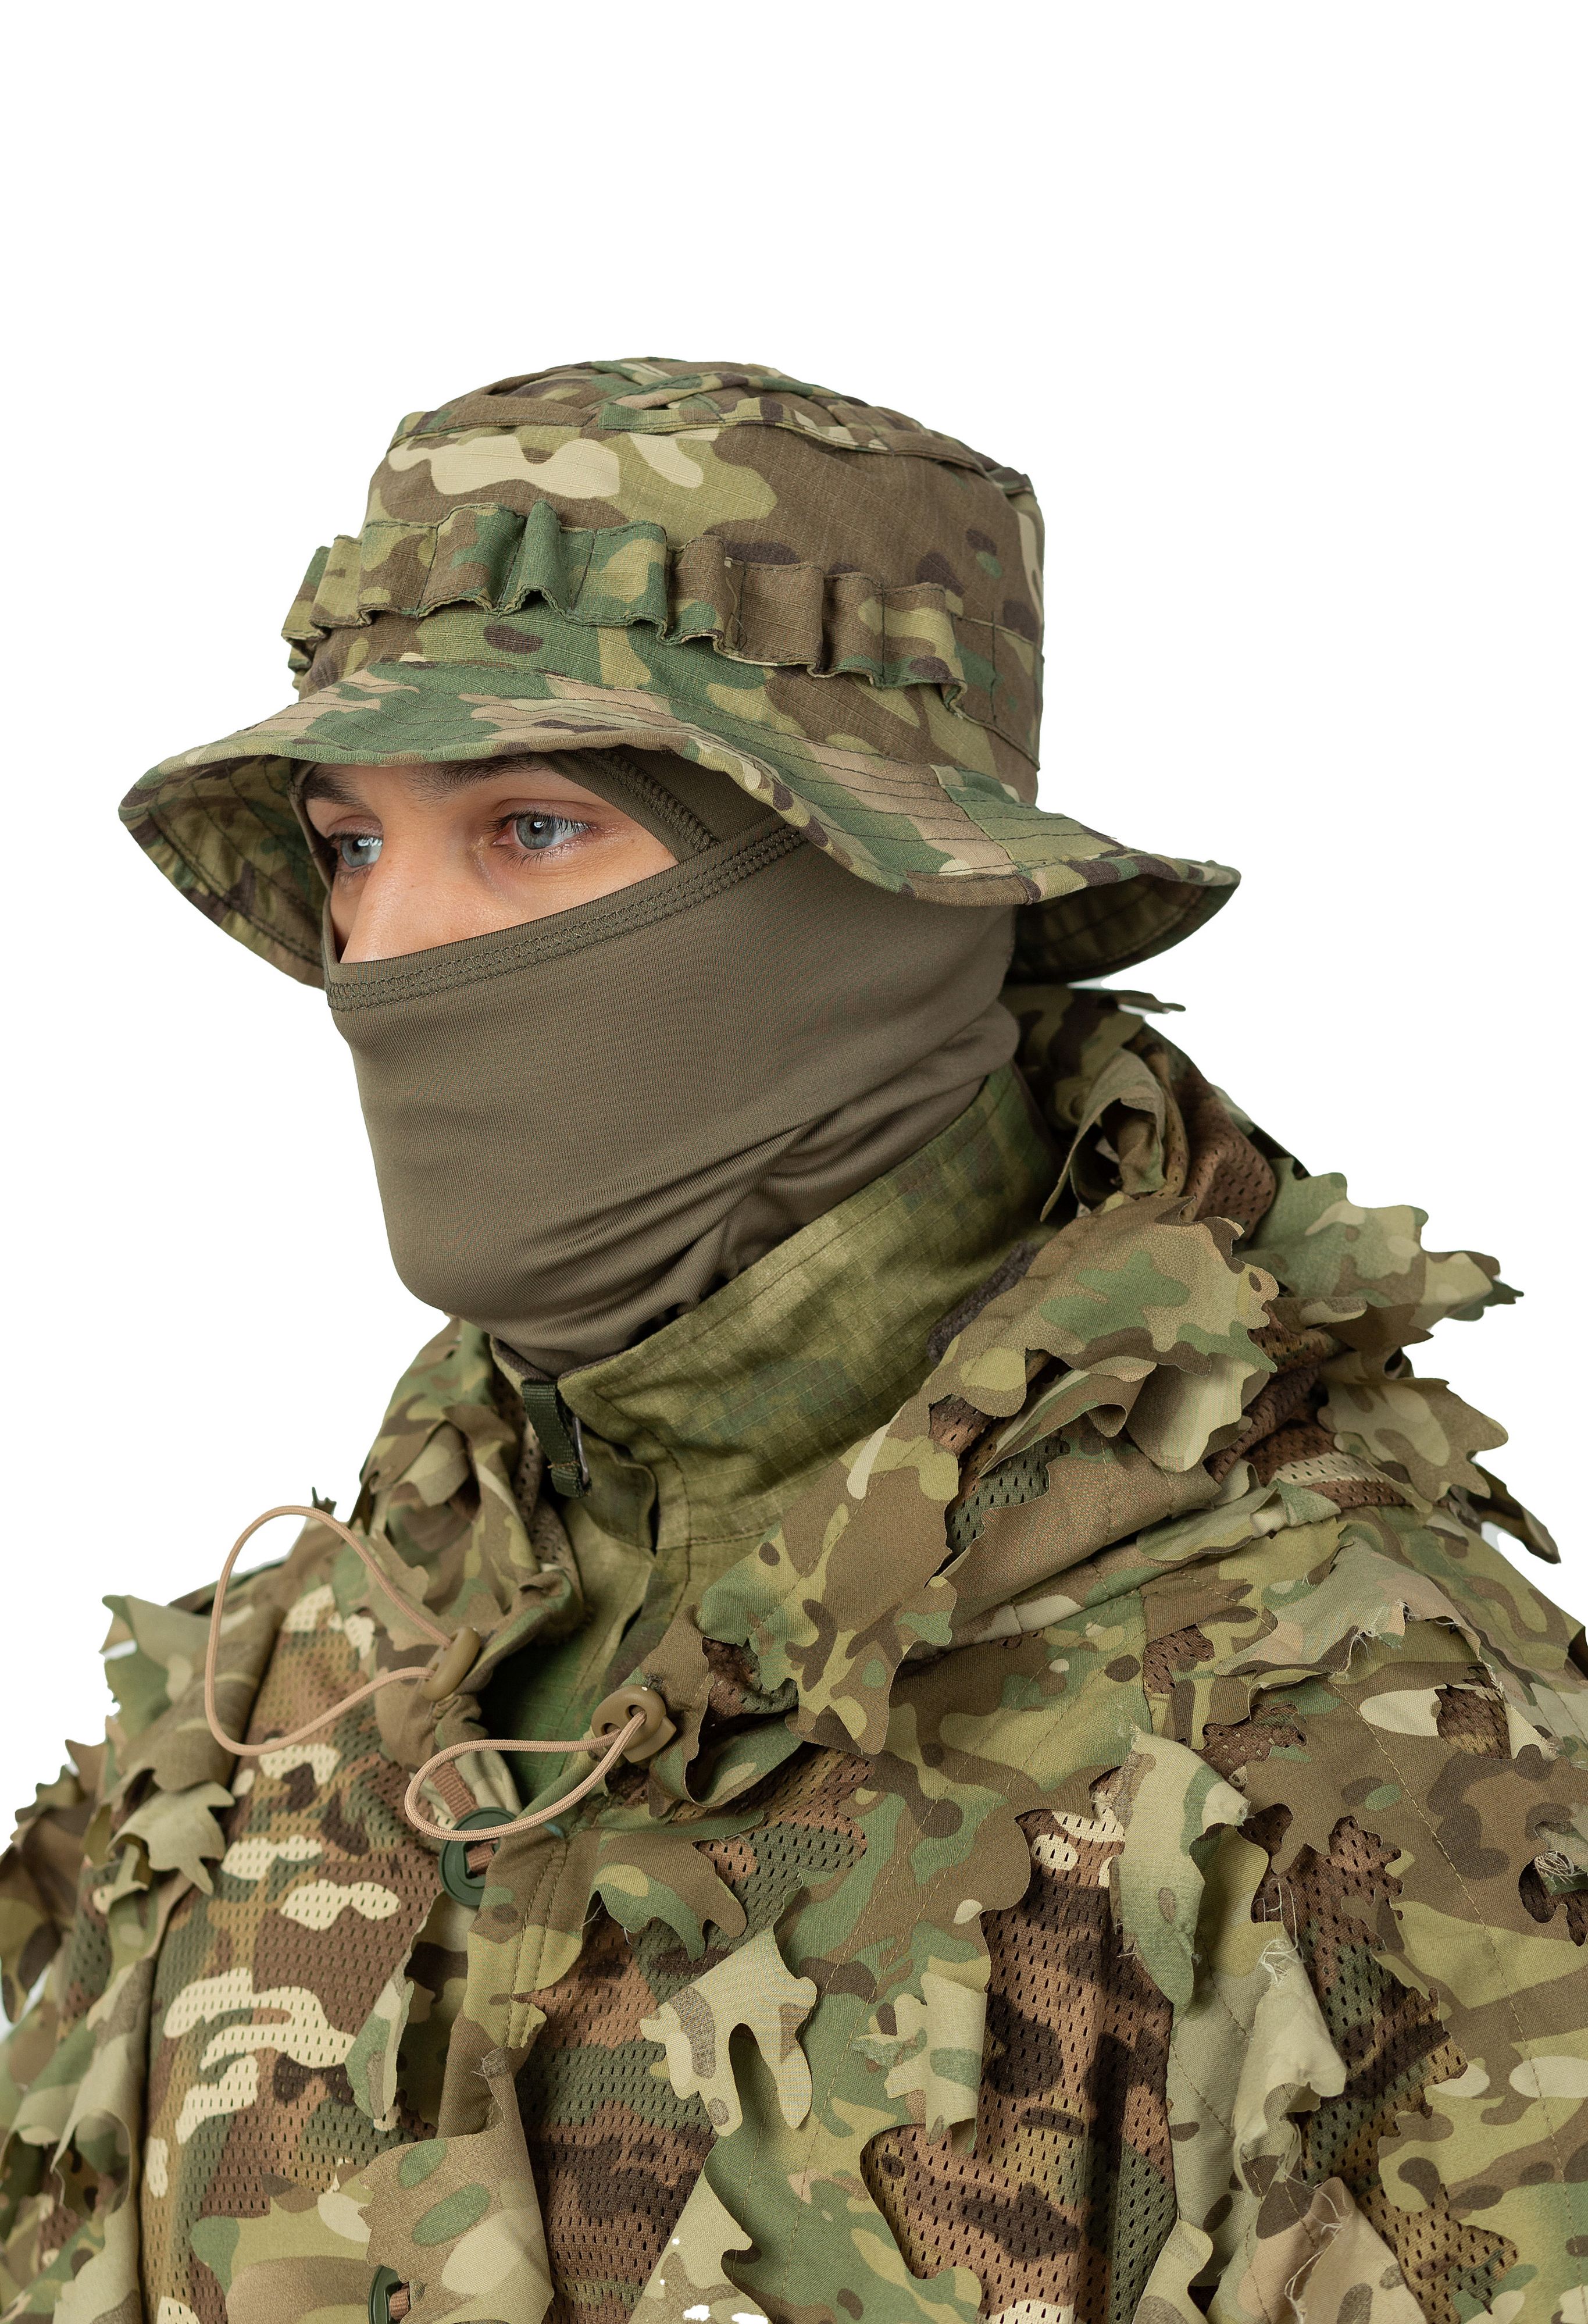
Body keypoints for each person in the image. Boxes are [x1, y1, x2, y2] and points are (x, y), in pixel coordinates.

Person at [0, 359, 1581, 2324]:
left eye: (531, 829)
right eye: (349, 847)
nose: (381, 949)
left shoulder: (1359, 1761)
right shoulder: (298, 1687)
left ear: (874, 900)